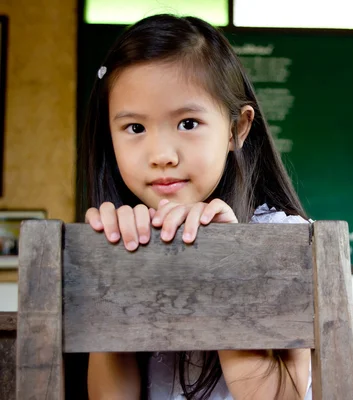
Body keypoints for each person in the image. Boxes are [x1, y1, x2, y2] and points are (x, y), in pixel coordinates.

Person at [80, 14, 311, 400]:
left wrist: (222, 262)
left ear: (238, 129)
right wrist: (113, 267)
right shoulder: (125, 236)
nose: (162, 155)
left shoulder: (283, 239)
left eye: (188, 123)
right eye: (135, 128)